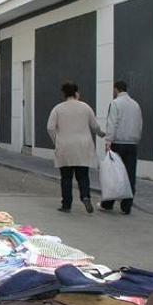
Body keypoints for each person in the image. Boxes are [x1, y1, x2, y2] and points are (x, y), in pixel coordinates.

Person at [47, 81, 105, 214]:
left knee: (66, 177)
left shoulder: (58, 108)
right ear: (76, 93)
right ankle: (85, 196)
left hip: (65, 146)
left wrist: (56, 140)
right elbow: (94, 126)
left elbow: (50, 127)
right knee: (83, 175)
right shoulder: (86, 107)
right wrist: (102, 134)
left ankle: (66, 204)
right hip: (83, 146)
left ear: (64, 94)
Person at [100, 80, 143, 215]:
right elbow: (139, 123)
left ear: (116, 89)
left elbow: (112, 122)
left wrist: (108, 141)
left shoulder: (115, 103)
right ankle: (127, 205)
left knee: (115, 174)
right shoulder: (135, 105)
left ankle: (108, 203)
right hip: (132, 144)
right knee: (130, 175)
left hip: (118, 143)